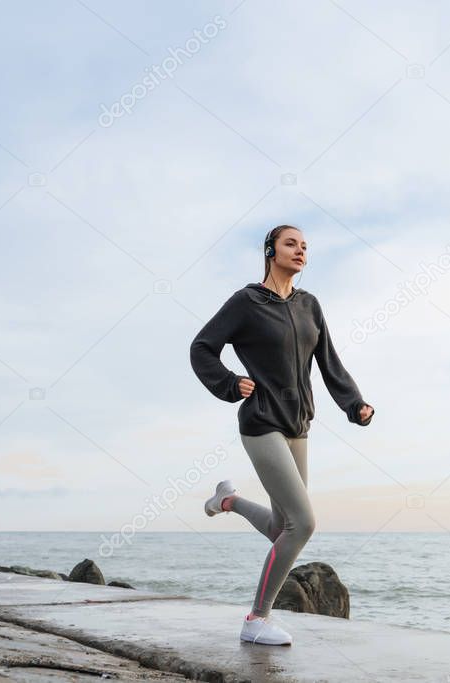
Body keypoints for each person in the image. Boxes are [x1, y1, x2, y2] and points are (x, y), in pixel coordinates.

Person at [189, 224, 375, 646]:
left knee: (282, 528)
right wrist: (229, 383)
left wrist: (355, 404)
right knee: (304, 523)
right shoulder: (246, 302)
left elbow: (330, 363)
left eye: (306, 245)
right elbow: (201, 347)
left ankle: (227, 500)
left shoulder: (310, 305)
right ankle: (256, 618)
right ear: (271, 250)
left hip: (298, 425)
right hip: (260, 422)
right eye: (292, 243)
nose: (301, 250)